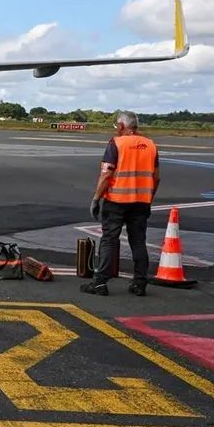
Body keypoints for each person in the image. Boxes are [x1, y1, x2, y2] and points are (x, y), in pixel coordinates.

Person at [82, 111, 160, 297]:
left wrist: (96, 199)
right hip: (141, 202)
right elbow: (156, 177)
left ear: (122, 126)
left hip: (116, 201)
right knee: (138, 241)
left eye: (117, 125)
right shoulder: (150, 145)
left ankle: (100, 282)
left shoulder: (116, 144)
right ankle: (140, 282)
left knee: (109, 240)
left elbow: (106, 175)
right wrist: (148, 197)